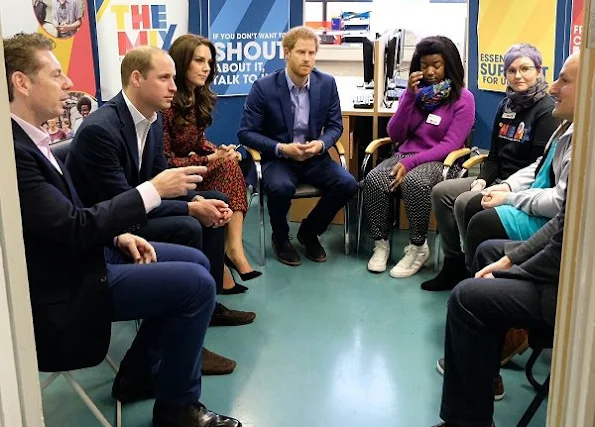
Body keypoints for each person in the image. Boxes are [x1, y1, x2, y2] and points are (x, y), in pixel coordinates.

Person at [4, 32, 242, 427]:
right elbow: (75, 225)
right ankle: (176, 409)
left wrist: (119, 235)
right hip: (70, 286)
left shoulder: (32, 140)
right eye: (56, 74)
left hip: (89, 252)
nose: (67, 84)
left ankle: (138, 372)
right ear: (21, 83)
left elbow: (69, 214)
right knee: (195, 284)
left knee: (196, 261)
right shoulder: (15, 152)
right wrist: (153, 191)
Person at [66, 46, 256, 374]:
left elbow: (154, 184)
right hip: (111, 231)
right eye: (164, 77)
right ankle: (185, 328)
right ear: (137, 79)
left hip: (132, 211)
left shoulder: (150, 121)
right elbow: (125, 204)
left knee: (212, 201)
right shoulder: (101, 130)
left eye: (173, 77)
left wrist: (196, 202)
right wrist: (190, 209)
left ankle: (206, 308)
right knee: (190, 226)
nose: (173, 85)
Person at [431, 51, 579, 427]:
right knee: (481, 242)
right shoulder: (567, 127)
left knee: (469, 293)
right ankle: (486, 359)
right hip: (534, 217)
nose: (555, 87)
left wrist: (519, 265)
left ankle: (466, 416)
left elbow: (564, 222)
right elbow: (560, 216)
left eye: (563, 79)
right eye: (511, 69)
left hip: (568, 281)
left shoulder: (560, 122)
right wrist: (496, 186)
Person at [421, 44, 560, 292]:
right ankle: (453, 263)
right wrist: (483, 180)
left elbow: (538, 169)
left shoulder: (547, 111)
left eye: (525, 69)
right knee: (442, 191)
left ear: (539, 71)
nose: (518, 76)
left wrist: (504, 188)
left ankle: (472, 267)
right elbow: (494, 156)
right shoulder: (506, 105)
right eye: (511, 70)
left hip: (521, 186)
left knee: (466, 202)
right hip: (498, 179)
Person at [238, 26, 357, 266]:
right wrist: (282, 148)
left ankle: (309, 231)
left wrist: (321, 145)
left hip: (314, 157)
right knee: (280, 188)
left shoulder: (326, 84)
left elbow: (335, 126)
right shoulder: (264, 87)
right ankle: (281, 238)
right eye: (301, 52)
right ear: (287, 53)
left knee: (348, 184)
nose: (307, 58)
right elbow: (245, 133)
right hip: (278, 158)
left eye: (312, 53)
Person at [362, 36, 475, 278]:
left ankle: (418, 246)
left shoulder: (462, 98)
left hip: (441, 161)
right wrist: (409, 99)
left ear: (450, 65)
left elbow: (450, 144)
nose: (430, 71)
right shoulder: (415, 94)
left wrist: (409, 162)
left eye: (437, 65)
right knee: (374, 179)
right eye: (424, 65)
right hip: (406, 155)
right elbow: (395, 133)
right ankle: (381, 243)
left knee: (416, 182)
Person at [163, 34, 261, 285]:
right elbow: (165, 162)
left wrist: (220, 151)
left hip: (190, 169)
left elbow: (198, 142)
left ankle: (233, 248)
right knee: (226, 167)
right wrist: (210, 159)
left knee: (231, 162)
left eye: (209, 61)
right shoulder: (165, 102)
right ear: (181, 62)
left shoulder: (197, 96)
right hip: (170, 177)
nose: (206, 67)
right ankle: (230, 254)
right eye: (198, 60)